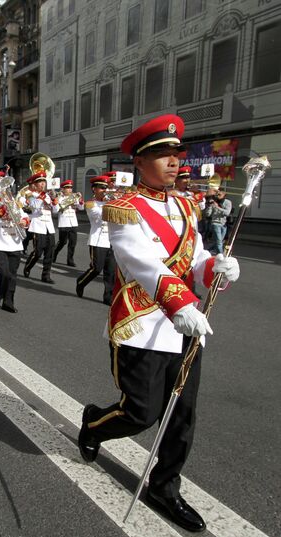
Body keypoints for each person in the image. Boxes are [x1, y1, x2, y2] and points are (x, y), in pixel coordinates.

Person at [78, 114, 240, 533]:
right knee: (142, 412)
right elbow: (140, 261)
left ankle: (164, 489)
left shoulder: (186, 204)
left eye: (175, 153)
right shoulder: (123, 207)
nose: (172, 161)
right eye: (161, 154)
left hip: (185, 324)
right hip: (142, 321)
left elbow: (195, 257)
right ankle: (94, 422)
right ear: (140, 160)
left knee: (182, 414)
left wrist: (215, 268)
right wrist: (182, 302)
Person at [0, 176, 29, 313]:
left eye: (7, 188)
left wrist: (24, 222)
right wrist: (3, 208)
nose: (6, 191)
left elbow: (24, 216)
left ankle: (8, 302)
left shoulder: (13, 203)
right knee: (3, 272)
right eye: (3, 189)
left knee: (12, 275)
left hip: (14, 242)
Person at [75, 176, 116, 305]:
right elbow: (99, 216)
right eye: (102, 188)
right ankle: (81, 282)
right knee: (96, 269)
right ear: (94, 189)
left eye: (106, 187)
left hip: (111, 240)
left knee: (111, 271)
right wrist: (111, 202)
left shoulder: (111, 202)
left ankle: (108, 297)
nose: (105, 190)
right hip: (98, 240)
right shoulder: (90, 204)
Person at [22, 172, 57, 283]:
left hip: (49, 227)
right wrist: (42, 197)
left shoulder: (48, 195)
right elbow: (34, 206)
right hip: (38, 226)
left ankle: (46, 275)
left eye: (44, 182)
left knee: (49, 252)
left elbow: (55, 211)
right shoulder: (30, 194)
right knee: (37, 252)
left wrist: (54, 201)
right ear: (35, 184)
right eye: (40, 182)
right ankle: (28, 266)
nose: (43, 184)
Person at [52, 179, 83, 266]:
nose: (70, 189)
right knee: (62, 242)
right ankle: (54, 253)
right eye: (67, 188)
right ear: (63, 189)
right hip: (64, 222)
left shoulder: (74, 197)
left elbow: (81, 208)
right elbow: (56, 211)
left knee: (73, 243)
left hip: (73, 223)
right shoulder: (59, 198)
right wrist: (56, 203)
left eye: (70, 188)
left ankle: (70, 260)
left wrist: (80, 200)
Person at [204, 187, 232, 255]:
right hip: (215, 223)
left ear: (224, 194)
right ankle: (221, 255)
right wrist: (209, 206)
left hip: (224, 224)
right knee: (219, 241)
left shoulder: (228, 202)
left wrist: (217, 207)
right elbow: (208, 214)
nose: (217, 196)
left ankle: (207, 251)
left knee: (219, 241)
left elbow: (227, 213)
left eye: (219, 194)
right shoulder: (214, 201)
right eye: (217, 194)